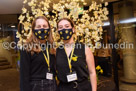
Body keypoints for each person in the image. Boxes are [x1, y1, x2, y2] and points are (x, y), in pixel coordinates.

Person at [56, 18, 97, 91]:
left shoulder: (85, 49)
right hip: (63, 88)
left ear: (73, 29)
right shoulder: (56, 51)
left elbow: (92, 72)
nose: (64, 29)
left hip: (82, 87)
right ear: (58, 31)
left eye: (67, 26)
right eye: (60, 27)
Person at [19, 16, 56, 91]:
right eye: (38, 26)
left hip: (52, 84)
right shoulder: (27, 48)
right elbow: (24, 76)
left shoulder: (51, 47)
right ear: (33, 29)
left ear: (49, 29)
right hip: (36, 86)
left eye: (45, 26)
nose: (42, 29)